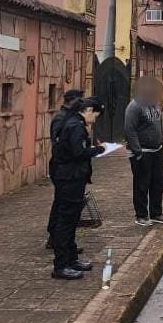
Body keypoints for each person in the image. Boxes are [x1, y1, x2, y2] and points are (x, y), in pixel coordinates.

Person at [51, 97, 104, 279]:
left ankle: (71, 259)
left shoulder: (74, 123)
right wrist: (99, 150)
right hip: (70, 178)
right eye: (95, 115)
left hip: (72, 177)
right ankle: (61, 265)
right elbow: (79, 152)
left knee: (72, 220)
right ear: (88, 111)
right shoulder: (75, 126)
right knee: (66, 222)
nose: (94, 120)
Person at [125, 76, 163, 227]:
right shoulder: (134, 106)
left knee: (158, 182)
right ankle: (141, 215)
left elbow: (159, 125)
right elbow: (130, 130)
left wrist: (162, 144)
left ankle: (156, 213)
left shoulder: (155, 104)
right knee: (142, 184)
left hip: (157, 150)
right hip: (142, 152)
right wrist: (138, 152)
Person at [46, 88, 84, 251]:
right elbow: (60, 143)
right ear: (72, 101)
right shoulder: (62, 118)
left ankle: (59, 239)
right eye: (80, 100)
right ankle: (56, 238)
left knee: (61, 202)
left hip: (65, 166)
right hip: (62, 167)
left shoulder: (69, 117)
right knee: (62, 204)